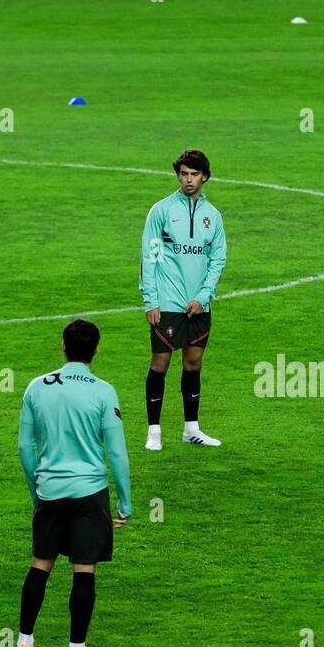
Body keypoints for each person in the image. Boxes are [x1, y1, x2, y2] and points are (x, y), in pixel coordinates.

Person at [15, 319, 132, 647]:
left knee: (41, 564)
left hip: (49, 491)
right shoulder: (102, 391)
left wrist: (36, 491)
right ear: (95, 350)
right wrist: (123, 501)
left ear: (63, 347)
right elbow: (117, 452)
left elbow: (24, 446)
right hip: (88, 494)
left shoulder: (37, 387)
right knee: (84, 570)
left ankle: (24, 644)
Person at [139, 148, 227, 450]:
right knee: (160, 363)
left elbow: (218, 260)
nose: (188, 180)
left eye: (194, 174)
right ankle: (154, 432)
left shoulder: (212, 216)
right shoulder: (161, 211)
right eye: (183, 174)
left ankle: (192, 429)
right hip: (167, 303)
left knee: (194, 362)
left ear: (204, 177)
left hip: (198, 306)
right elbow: (149, 257)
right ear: (178, 175)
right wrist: (151, 300)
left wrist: (203, 297)